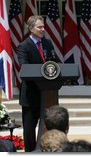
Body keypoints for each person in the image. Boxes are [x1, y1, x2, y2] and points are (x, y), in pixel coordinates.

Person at [17, 15, 59, 152]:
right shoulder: (23, 46)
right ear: (30, 28)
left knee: (49, 125)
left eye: (43, 26)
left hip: (48, 93)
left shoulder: (48, 43)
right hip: (31, 94)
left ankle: (48, 151)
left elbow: (55, 62)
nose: (43, 29)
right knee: (29, 129)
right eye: (39, 27)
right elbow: (24, 67)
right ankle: (30, 153)